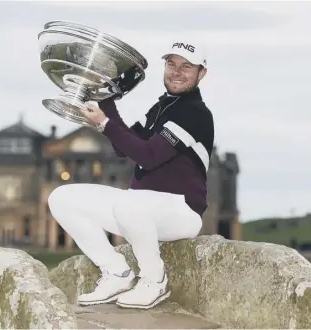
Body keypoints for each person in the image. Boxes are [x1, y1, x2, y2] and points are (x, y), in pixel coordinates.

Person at [47, 41, 214, 310]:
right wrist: (106, 99)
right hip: (140, 210)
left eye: (187, 67)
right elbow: (123, 147)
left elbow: (148, 156)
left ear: (201, 73)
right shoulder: (162, 108)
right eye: (172, 64)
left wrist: (103, 123)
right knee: (62, 197)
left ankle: (154, 280)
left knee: (130, 202)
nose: (177, 71)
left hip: (181, 212)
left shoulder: (195, 113)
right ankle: (117, 273)